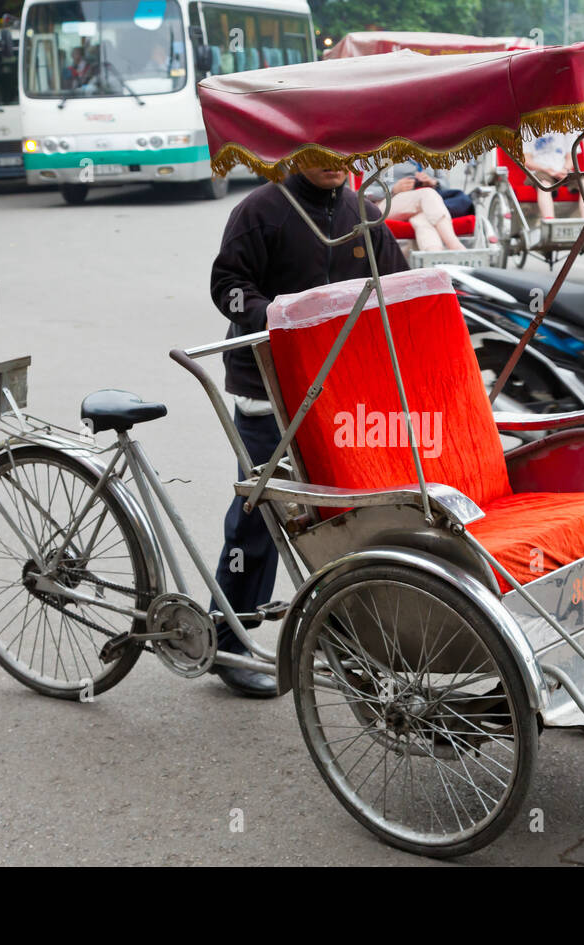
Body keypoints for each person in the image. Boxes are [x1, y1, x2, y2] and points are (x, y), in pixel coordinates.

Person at [207, 166, 409, 697]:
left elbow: (397, 287)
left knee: (346, 515)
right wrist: (275, 318)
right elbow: (226, 287)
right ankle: (229, 639)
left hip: (337, 390)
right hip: (267, 388)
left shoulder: (363, 214)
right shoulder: (260, 209)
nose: (330, 158)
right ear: (296, 149)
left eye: (339, 148)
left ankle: (343, 633)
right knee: (262, 518)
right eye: (317, 147)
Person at [365, 162, 468, 251]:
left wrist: (434, 182)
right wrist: (393, 189)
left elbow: (445, 183)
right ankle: (456, 247)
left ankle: (434, 259)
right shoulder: (379, 149)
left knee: (422, 220)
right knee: (427, 194)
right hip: (387, 204)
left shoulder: (430, 148)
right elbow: (364, 191)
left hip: (425, 205)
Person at [523, 131, 584, 221]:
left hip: (564, 170)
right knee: (544, 185)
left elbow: (571, 157)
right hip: (540, 171)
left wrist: (565, 170)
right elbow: (527, 160)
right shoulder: (527, 130)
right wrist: (548, 170)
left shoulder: (567, 128)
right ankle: (550, 222)